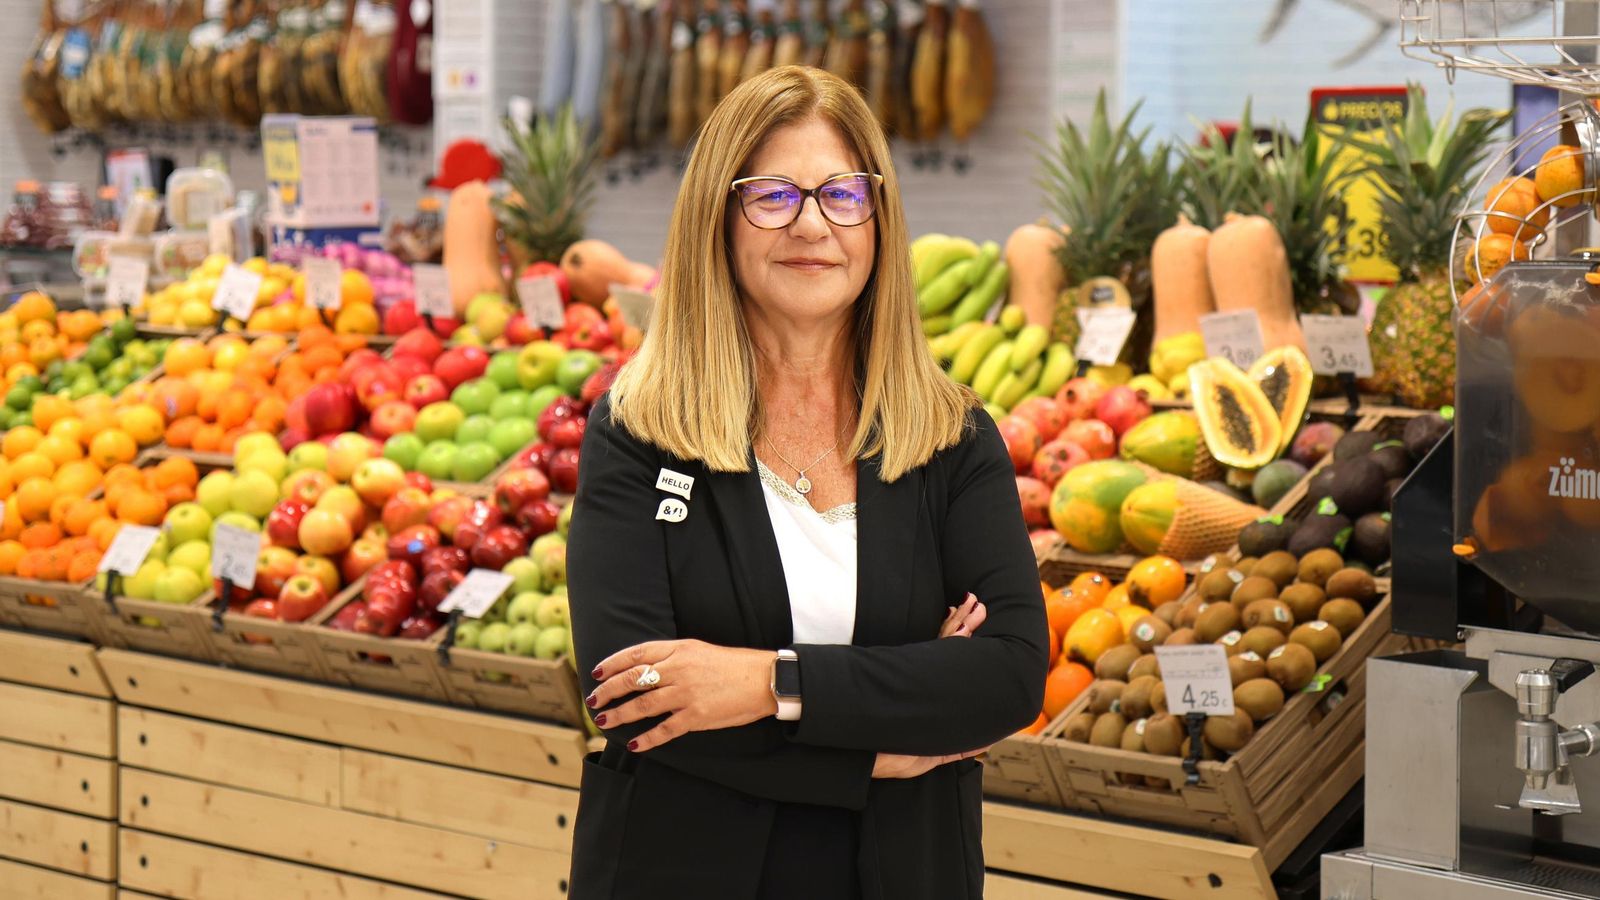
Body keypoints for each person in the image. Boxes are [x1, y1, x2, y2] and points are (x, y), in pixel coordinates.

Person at [567, 65, 1050, 900]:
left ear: (878, 218)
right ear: (716, 218)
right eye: (774, 196)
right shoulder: (640, 430)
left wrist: (764, 683)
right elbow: (631, 695)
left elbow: (1006, 674)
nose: (813, 225)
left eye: (842, 195)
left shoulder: (949, 435)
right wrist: (876, 746)